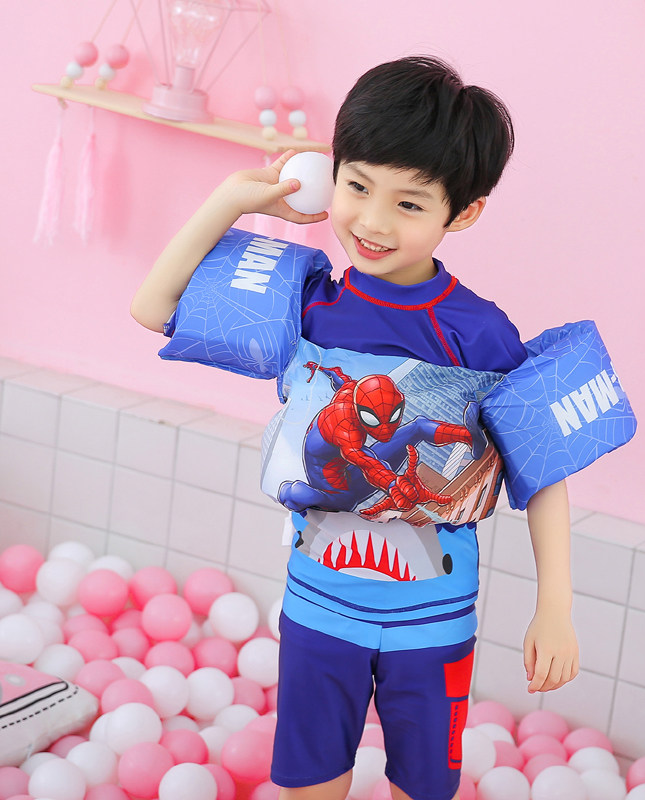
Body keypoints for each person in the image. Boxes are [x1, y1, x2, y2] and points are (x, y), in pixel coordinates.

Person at [131, 56, 579, 800]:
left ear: (463, 213)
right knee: (310, 783)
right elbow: (154, 308)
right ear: (329, 174)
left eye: (410, 203)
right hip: (317, 607)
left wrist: (554, 605)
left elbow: (543, 464)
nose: (371, 222)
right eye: (358, 186)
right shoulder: (306, 302)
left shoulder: (480, 334)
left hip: (432, 621)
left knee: (424, 786)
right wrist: (230, 200)